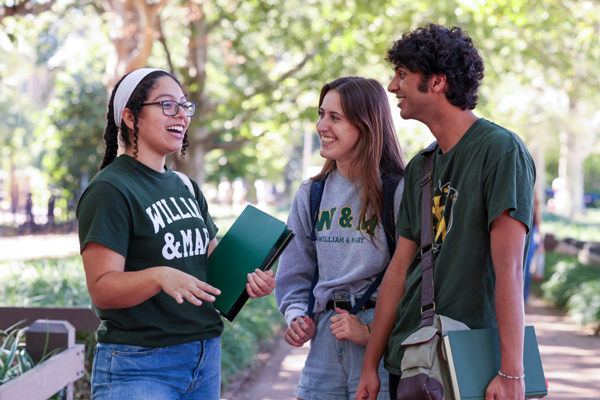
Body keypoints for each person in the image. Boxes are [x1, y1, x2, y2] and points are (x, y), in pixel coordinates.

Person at [356, 24, 535, 400]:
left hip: (468, 361)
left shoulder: (500, 151)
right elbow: (399, 270)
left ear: (437, 82)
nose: (392, 86)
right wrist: (370, 367)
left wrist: (513, 373)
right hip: (409, 359)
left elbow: (510, 272)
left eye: (402, 75)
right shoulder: (421, 166)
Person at [76, 68, 275, 400]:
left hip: (204, 358)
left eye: (185, 106)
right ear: (129, 116)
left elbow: (211, 270)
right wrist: (159, 276)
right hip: (140, 365)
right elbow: (102, 289)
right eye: (168, 105)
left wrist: (251, 281)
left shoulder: (186, 186)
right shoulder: (110, 189)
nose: (182, 115)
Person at [275, 76, 406, 400]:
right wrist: (296, 316)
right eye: (321, 114)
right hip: (325, 341)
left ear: (366, 125)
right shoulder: (311, 193)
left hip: (383, 345)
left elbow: (417, 280)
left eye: (335, 117)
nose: (322, 125)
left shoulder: (398, 191)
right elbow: (294, 272)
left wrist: (371, 332)